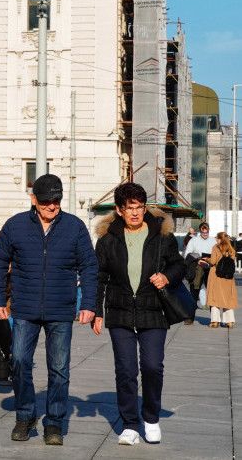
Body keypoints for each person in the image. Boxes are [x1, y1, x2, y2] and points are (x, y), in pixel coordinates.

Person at [0, 173, 98, 446]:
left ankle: (54, 423)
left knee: (59, 369)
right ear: (33, 199)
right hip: (24, 308)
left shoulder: (75, 227)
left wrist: (89, 305)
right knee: (20, 361)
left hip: (61, 309)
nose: (52, 205)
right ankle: (25, 416)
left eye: (57, 200)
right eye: (47, 200)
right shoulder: (15, 226)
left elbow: (89, 266)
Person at [92, 182, 184, 446]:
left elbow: (179, 266)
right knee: (126, 370)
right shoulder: (108, 239)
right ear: (119, 210)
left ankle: (151, 418)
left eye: (140, 207)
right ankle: (131, 424)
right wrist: (96, 311)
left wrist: (167, 276)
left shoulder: (161, 235)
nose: (135, 213)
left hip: (153, 309)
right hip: (120, 311)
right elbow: (99, 277)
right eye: (130, 208)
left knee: (153, 366)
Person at [206, 232, 237, 328]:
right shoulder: (231, 250)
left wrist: (207, 259)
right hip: (228, 277)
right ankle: (229, 322)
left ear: (220, 239)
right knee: (228, 299)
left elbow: (213, 261)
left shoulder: (215, 248)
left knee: (214, 299)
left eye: (217, 238)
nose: (216, 240)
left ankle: (215, 321)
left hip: (216, 275)